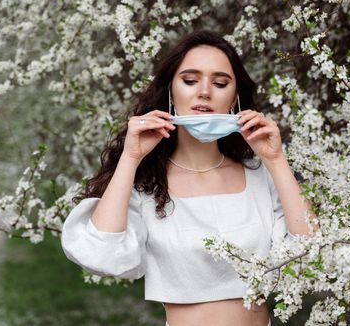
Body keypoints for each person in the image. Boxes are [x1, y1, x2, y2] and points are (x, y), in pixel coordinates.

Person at [61, 30, 319, 326]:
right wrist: (131, 158)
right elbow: (101, 253)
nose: (205, 92)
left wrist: (276, 159)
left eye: (220, 83)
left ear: (235, 98)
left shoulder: (260, 176)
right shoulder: (146, 186)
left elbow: (307, 250)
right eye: (190, 80)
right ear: (171, 92)